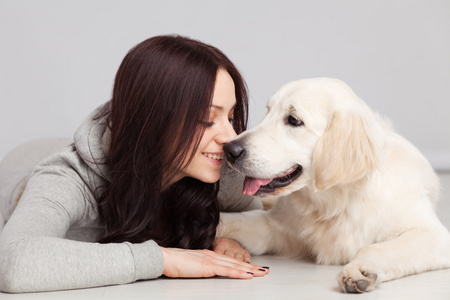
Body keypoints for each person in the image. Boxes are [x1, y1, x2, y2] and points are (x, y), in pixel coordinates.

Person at [0, 35, 268, 293]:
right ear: (154, 121)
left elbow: (255, 213)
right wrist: (163, 260)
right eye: (207, 119)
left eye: (230, 117)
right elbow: (12, 262)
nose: (231, 138)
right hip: (21, 166)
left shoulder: (215, 163)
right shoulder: (68, 179)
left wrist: (224, 238)